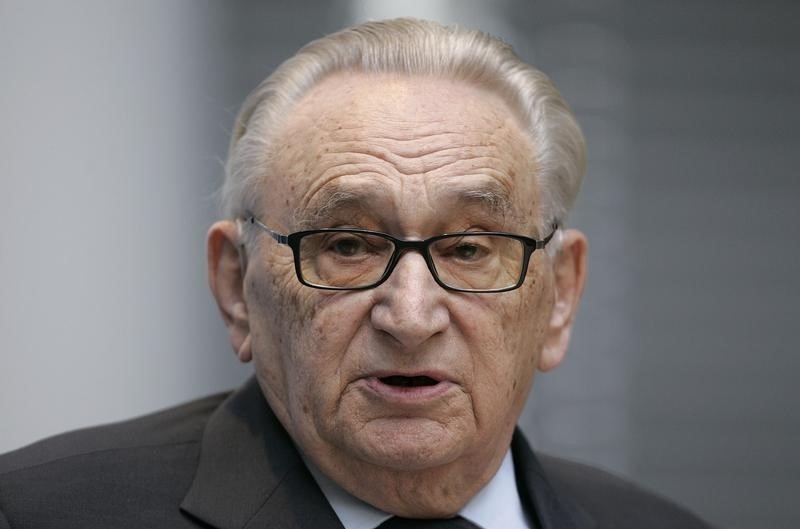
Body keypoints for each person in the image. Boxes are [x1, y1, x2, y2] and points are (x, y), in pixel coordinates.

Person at [0, 18, 714, 529]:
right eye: (346, 244)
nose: (409, 315)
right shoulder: (37, 511)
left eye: (469, 248)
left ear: (559, 297)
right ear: (236, 287)